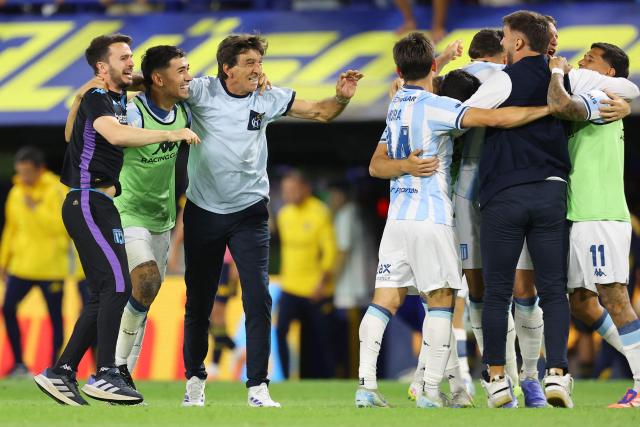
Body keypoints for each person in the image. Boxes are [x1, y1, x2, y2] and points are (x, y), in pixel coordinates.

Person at [355, 31, 550, 409]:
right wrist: (547, 108)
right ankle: (429, 391)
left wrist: (403, 166)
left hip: (396, 219)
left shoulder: (395, 105)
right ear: (431, 67)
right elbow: (495, 117)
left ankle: (366, 386)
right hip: (431, 217)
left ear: (398, 68)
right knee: (443, 301)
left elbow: (375, 166)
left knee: (384, 300)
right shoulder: (438, 106)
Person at [462, 10, 639, 408]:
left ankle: (496, 380)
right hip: (555, 197)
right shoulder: (577, 79)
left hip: (515, 196)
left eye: (506, 38)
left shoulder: (509, 79)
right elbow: (629, 89)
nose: (504, 43)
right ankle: (556, 374)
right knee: (558, 293)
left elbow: (464, 115)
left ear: (519, 42)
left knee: (498, 293)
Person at [180, 33, 363, 408]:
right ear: (227, 69)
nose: (257, 69)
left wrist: (342, 95)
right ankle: (195, 381)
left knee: (259, 297)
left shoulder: (269, 96)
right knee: (199, 301)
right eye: (249, 63)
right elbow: (156, 82)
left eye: (259, 63)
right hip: (204, 211)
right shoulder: (200, 91)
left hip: (249, 213)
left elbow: (322, 111)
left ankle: (258, 387)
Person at [33, 33, 199, 406]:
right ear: (101, 67)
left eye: (131, 56)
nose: (130, 61)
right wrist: (171, 132)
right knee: (119, 286)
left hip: (99, 203)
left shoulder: (109, 97)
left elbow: (74, 130)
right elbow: (114, 133)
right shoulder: (99, 99)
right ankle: (107, 372)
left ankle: (61, 372)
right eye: (123, 57)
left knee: (104, 292)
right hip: (88, 200)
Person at [546, 45, 640, 408]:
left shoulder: (603, 96)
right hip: (579, 214)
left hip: (599, 214)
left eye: (592, 57)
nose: (583, 59)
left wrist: (558, 71)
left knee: (614, 298)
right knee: (582, 302)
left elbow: (562, 103)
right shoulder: (596, 96)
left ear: (609, 73)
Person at [0, 147, 68, 378]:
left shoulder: (56, 189)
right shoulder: (17, 191)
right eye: (20, 172)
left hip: (50, 266)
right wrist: (4, 261)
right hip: (22, 266)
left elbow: (62, 225)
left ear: (40, 170)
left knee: (55, 317)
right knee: (7, 309)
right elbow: (11, 228)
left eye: (28, 172)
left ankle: (55, 368)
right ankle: (19, 364)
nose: (24, 177)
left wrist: (35, 208)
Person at [275, 170, 337, 379]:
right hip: (290, 286)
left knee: (320, 338)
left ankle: (328, 380)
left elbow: (329, 251)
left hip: (314, 288)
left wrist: (323, 283)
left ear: (305, 188)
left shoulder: (319, 212)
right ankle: (284, 379)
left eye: (292, 189)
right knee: (280, 330)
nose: (288, 194)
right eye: (285, 190)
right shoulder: (284, 215)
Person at [328, 181, 372, 378]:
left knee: (351, 339)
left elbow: (343, 251)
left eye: (334, 195)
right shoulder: (358, 213)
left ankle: (352, 374)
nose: (331, 200)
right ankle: (358, 372)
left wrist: (329, 281)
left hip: (351, 287)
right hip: (363, 284)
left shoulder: (346, 214)